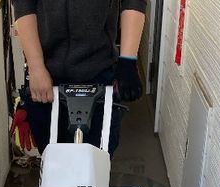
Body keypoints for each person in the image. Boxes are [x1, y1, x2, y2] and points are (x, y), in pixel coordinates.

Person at [11, 0, 147, 155]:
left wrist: (128, 62)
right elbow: (23, 5)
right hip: (47, 76)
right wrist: (35, 67)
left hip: (100, 71)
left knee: (96, 161)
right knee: (53, 161)